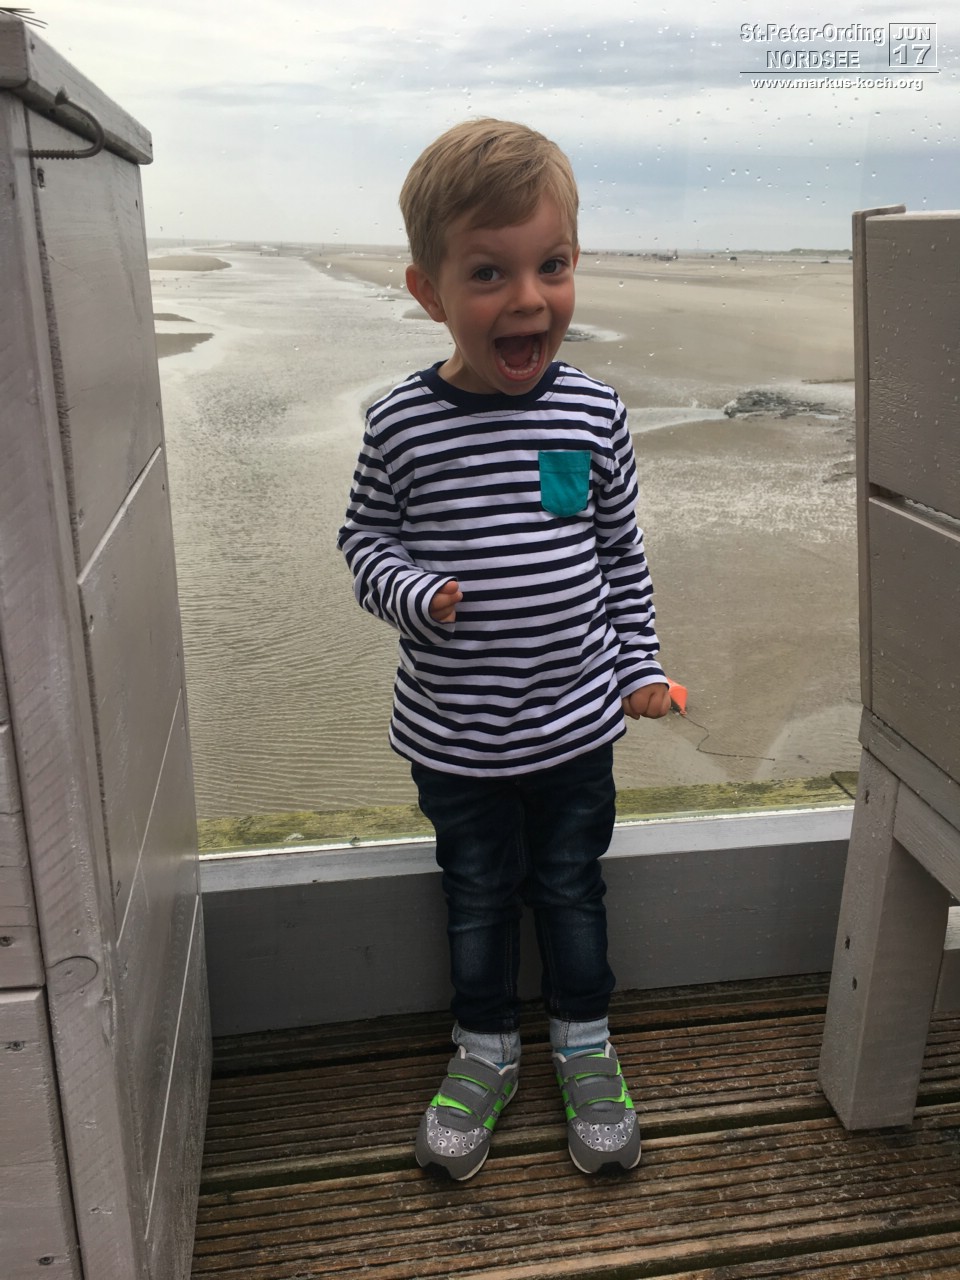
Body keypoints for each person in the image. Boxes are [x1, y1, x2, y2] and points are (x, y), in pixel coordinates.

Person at [337, 118, 671, 1182]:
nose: (528, 299)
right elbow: (362, 541)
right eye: (488, 273)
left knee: (572, 888)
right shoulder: (401, 423)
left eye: (551, 266)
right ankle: (483, 1047)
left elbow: (620, 554)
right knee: (477, 895)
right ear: (428, 291)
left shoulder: (593, 412)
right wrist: (413, 593)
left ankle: (585, 1040)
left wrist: (639, 665)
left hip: (576, 728)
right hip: (456, 738)